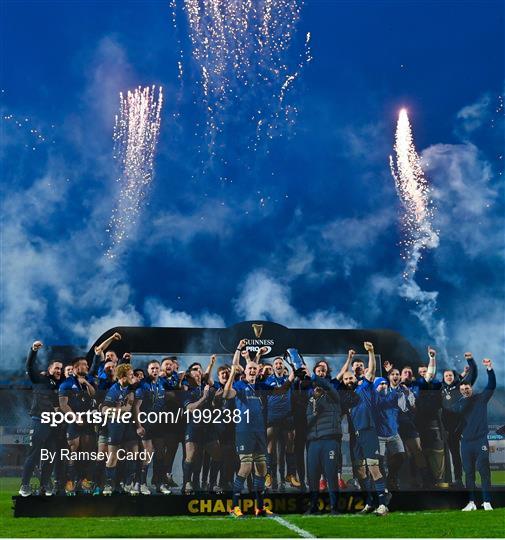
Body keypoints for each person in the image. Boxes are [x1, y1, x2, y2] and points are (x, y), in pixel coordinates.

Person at [223, 339, 294, 518]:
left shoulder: (262, 387)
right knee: (245, 468)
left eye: (255, 368)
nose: (252, 370)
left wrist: (293, 371)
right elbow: (226, 394)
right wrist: (233, 372)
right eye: (249, 369)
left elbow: (283, 390)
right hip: (244, 432)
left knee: (262, 469)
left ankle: (260, 507)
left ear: (258, 371)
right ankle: (234, 507)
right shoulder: (239, 386)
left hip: (259, 433)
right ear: (245, 372)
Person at [342, 342, 389, 515]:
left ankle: (383, 505)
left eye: (350, 378)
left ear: (355, 378)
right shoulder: (345, 397)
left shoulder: (364, 387)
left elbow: (372, 371)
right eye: (346, 379)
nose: (348, 380)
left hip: (368, 431)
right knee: (360, 471)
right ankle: (370, 503)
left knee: (374, 468)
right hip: (355, 436)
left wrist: (371, 351)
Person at [449, 358, 496, 511]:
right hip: (466, 443)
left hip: (480, 440)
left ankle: (487, 501)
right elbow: (456, 410)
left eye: (467, 388)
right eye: (462, 389)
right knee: (468, 473)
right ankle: (471, 502)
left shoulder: (481, 399)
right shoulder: (459, 405)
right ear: (460, 391)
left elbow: (491, 385)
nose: (465, 390)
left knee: (483, 470)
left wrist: (489, 369)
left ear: (471, 388)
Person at [19, 340, 63, 497]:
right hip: (40, 420)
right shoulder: (40, 379)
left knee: (51, 455)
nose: (59, 370)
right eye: (56, 368)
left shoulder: (61, 384)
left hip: (54, 424)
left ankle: (44, 484)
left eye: (61, 369)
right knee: (34, 454)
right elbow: (29, 367)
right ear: (49, 369)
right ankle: (24, 485)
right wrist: (33, 350)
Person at [181, 357, 222, 494]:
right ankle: (186, 483)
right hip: (193, 426)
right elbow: (190, 408)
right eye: (194, 369)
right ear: (190, 373)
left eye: (199, 369)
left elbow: (218, 398)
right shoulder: (186, 389)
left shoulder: (209, 387)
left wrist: (215, 398)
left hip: (209, 427)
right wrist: (204, 397)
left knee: (217, 455)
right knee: (190, 457)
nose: (198, 371)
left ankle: (212, 484)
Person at [305, 370, 342, 514]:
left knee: (331, 474)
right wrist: (314, 413)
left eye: (319, 386)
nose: (317, 388)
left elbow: (327, 386)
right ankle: (313, 506)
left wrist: (315, 377)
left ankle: (335, 507)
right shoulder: (310, 403)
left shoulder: (332, 397)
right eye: (315, 386)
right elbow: (306, 422)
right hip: (313, 442)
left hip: (330, 440)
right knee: (313, 475)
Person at [58, 357, 96, 494]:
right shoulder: (66, 384)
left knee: (86, 450)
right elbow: (63, 404)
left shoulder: (89, 380)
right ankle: (69, 480)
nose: (86, 367)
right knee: (73, 450)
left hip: (88, 421)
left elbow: (93, 395)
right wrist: (75, 417)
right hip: (73, 421)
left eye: (87, 364)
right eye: (83, 365)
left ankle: (84, 479)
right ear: (75, 368)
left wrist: (86, 382)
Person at [133, 360, 170, 495]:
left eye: (156, 368)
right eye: (152, 368)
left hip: (158, 424)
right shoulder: (143, 385)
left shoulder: (162, 383)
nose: (154, 370)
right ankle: (141, 483)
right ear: (148, 370)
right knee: (147, 453)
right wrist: (139, 426)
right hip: (145, 424)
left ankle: (159, 483)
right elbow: (136, 407)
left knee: (160, 453)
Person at [441, 352, 477, 488]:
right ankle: (458, 479)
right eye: (446, 376)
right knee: (455, 455)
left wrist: (470, 361)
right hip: (450, 429)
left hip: (464, 426)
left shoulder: (459, 386)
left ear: (454, 377)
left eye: (450, 375)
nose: (449, 377)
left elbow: (473, 374)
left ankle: (471, 479)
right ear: (443, 378)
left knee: (469, 453)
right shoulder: (441, 389)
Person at [264, 356, 300, 491]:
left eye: (280, 363)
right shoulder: (268, 380)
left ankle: (290, 475)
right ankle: (269, 475)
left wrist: (291, 362)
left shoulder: (288, 379)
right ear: (273, 367)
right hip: (272, 417)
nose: (278, 365)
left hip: (287, 417)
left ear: (284, 367)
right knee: (270, 447)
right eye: (276, 363)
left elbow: (295, 372)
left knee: (290, 443)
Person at [102, 364, 137, 495]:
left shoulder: (131, 388)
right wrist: (122, 409)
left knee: (133, 454)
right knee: (113, 457)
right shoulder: (114, 389)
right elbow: (104, 410)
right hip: (115, 425)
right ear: (123, 377)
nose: (133, 377)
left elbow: (128, 410)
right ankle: (109, 485)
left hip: (129, 425)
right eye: (131, 375)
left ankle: (129, 484)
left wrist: (120, 409)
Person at [373, 377, 405, 491]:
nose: (383, 385)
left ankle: (391, 477)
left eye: (385, 383)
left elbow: (403, 405)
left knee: (400, 456)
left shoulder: (393, 395)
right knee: (379, 461)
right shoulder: (373, 398)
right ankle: (383, 486)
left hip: (393, 433)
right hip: (378, 435)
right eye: (380, 384)